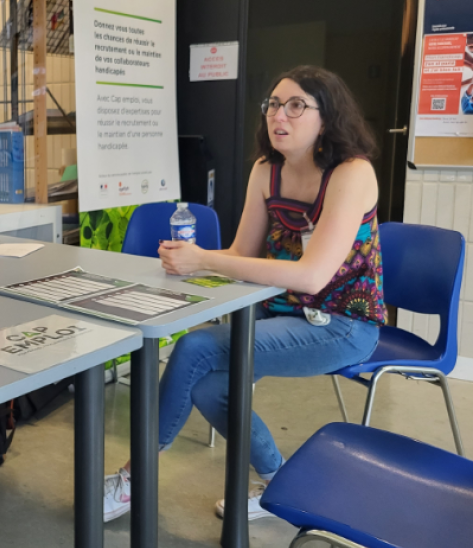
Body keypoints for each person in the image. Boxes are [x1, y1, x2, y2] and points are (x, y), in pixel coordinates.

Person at [102, 66, 385, 523]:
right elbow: (241, 254)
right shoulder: (265, 170)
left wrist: (203, 260)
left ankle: (133, 480)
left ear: (327, 118)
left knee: (194, 346)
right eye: (274, 104)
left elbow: (312, 276)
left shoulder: (351, 173)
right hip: (281, 318)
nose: (280, 115)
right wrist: (190, 261)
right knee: (213, 386)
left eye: (297, 106)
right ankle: (278, 478)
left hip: (342, 325)